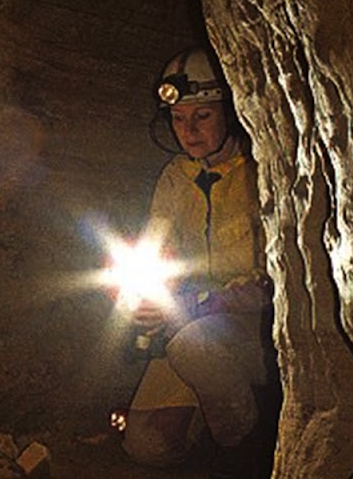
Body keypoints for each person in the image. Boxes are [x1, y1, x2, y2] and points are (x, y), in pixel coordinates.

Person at [121, 46, 279, 478]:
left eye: (202, 116)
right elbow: (156, 250)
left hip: (257, 330)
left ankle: (244, 452)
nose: (188, 131)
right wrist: (143, 302)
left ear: (230, 112)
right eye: (178, 118)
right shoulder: (176, 178)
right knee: (148, 444)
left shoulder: (262, 171)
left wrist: (205, 303)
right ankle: (216, 419)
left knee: (194, 346)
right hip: (193, 324)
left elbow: (274, 282)